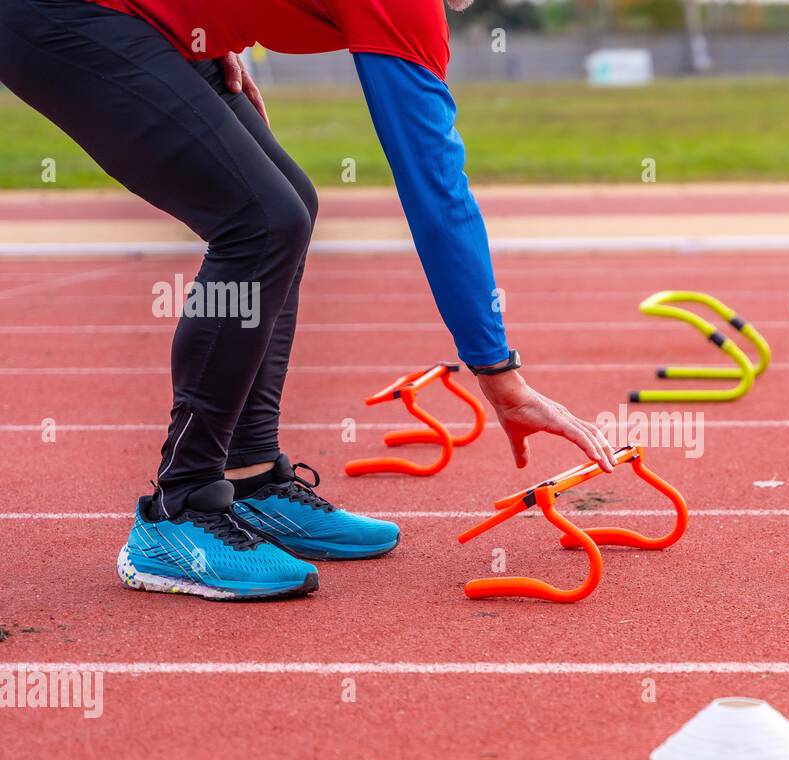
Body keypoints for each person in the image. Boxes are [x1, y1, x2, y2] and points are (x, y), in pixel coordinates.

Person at [0, 0, 617, 600]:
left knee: (287, 207)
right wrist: (499, 374)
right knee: (261, 220)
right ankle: (177, 510)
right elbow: (436, 192)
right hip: (62, 13)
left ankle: (248, 475)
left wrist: (213, 29)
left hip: (151, 20)